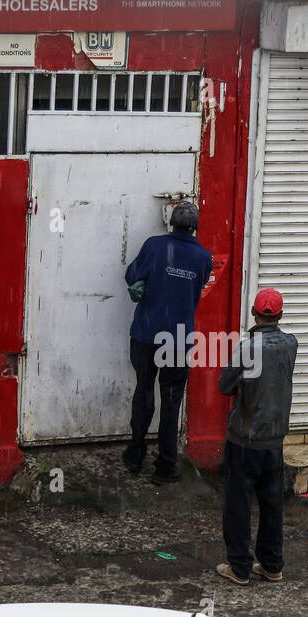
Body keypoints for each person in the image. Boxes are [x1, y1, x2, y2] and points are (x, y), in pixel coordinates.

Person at [122, 200, 213, 483]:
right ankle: (166, 467)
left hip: (147, 334)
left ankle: (136, 455)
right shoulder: (203, 257)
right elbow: (196, 290)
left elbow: (132, 275)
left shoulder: (155, 246)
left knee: (144, 392)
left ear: (171, 222)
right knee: (171, 402)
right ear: (195, 228)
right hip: (177, 340)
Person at [215, 288, 298, 586]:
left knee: (238, 503)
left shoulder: (247, 347)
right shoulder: (291, 344)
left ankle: (239, 567)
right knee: (272, 503)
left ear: (254, 313)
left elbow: (225, 385)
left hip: (244, 438)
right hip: (274, 439)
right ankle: (272, 565)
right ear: (280, 315)